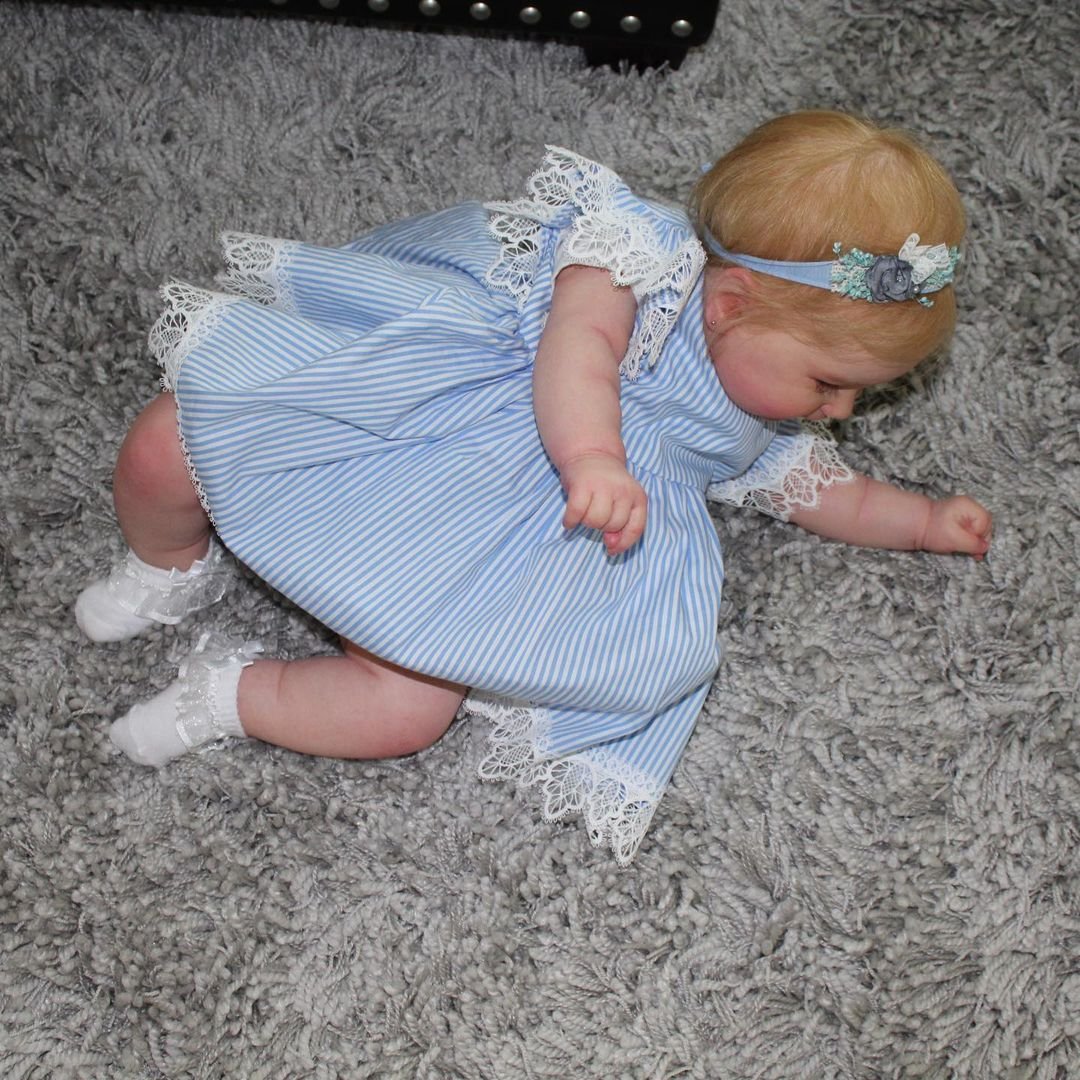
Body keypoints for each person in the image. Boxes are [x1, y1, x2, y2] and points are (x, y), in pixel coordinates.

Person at [75, 111, 992, 865]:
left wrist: (921, 522)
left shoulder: (757, 417)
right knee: (172, 440)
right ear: (731, 303)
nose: (839, 410)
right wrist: (594, 456)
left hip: (494, 537)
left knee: (406, 710)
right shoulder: (634, 261)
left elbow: (827, 494)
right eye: (829, 382)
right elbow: (578, 351)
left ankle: (235, 694)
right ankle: (168, 560)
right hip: (441, 407)